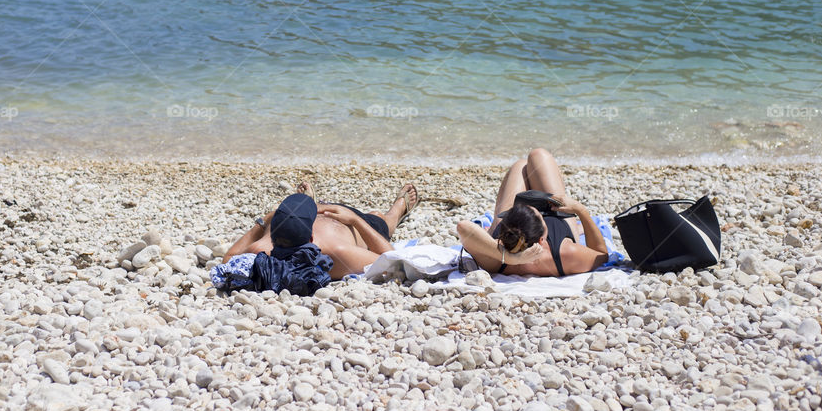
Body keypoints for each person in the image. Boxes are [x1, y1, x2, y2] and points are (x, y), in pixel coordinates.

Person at [456, 148, 607, 276]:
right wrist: (580, 210)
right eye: (541, 216)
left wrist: (509, 258)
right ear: (542, 240)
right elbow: (601, 254)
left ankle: (497, 224)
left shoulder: (495, 257)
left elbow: (463, 227)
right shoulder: (567, 254)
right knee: (538, 155)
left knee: (521, 166)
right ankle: (577, 227)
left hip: (509, 244)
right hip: (559, 226)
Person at [223, 181, 419, 280]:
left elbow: (228, 259)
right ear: (310, 237)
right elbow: (393, 259)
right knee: (379, 217)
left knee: (294, 213)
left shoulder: (261, 248)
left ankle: (306, 203)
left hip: (306, 216)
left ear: (272, 236)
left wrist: (264, 220)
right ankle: (398, 209)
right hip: (347, 220)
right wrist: (356, 221)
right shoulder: (336, 253)